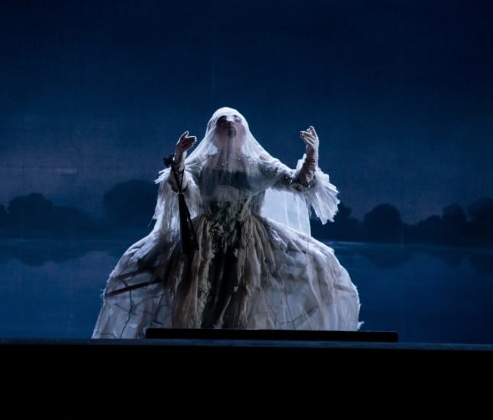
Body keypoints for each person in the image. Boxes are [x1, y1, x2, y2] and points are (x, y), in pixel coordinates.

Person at [92, 106, 361, 338]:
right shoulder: (203, 165)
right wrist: (180, 159)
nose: (230, 124)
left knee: (244, 295)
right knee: (200, 295)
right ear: (214, 133)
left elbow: (297, 182)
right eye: (223, 122)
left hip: (249, 240)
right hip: (203, 241)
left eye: (236, 121)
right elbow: (180, 185)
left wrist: (312, 155)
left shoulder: (258, 164)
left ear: (244, 132)